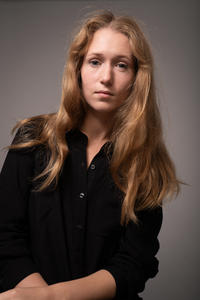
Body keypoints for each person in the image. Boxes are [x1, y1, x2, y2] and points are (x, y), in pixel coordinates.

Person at [0, 10, 179, 300]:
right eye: (95, 62)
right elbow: (5, 237)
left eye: (121, 65)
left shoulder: (145, 163)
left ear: (136, 78)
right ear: (78, 69)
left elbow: (133, 264)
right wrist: (38, 296)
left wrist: (51, 298)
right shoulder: (33, 138)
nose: (106, 77)